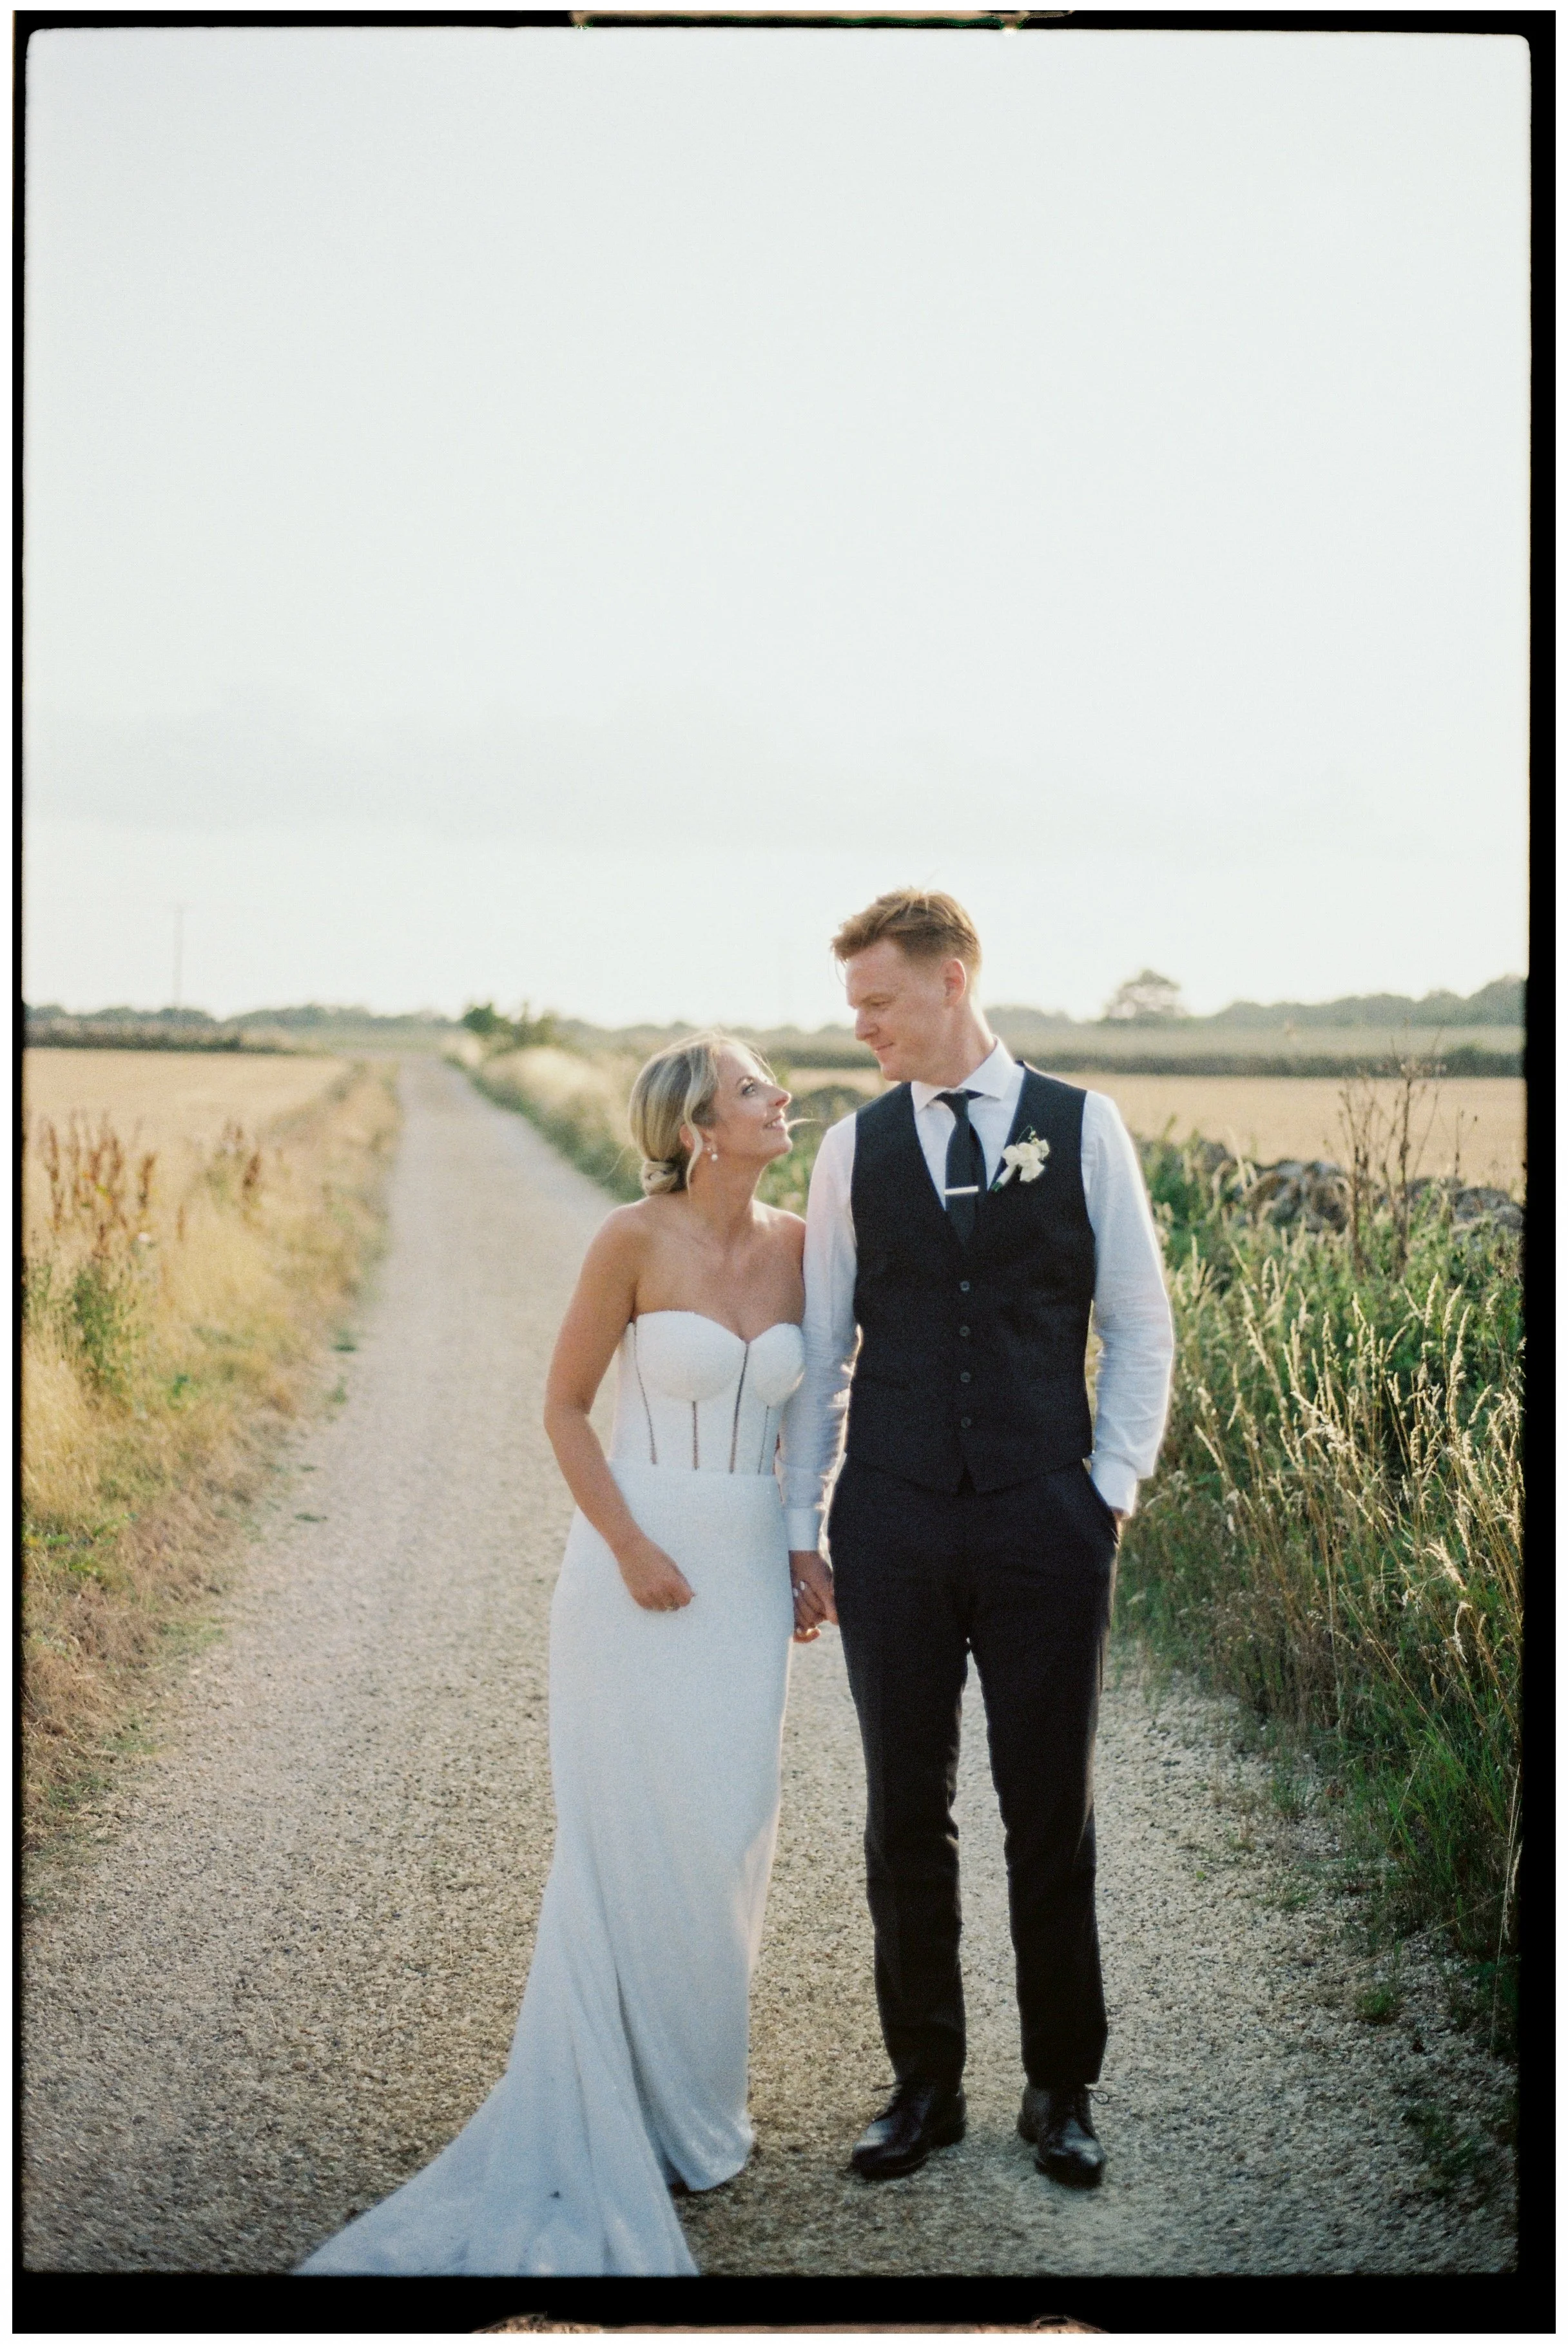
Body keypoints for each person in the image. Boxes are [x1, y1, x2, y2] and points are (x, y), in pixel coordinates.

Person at [299, 1033, 826, 2276]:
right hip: (633, 1576)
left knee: (724, 1832)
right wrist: (632, 1545)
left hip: (748, 1573)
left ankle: (699, 2110)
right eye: (755, 1088)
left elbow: (819, 1411)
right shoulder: (629, 1242)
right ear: (699, 1127)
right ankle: (611, 2110)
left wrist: (807, 1546)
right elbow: (563, 1406)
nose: (779, 1096)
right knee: (628, 1839)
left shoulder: (808, 1245)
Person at [782, 889, 1174, 2190]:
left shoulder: (1082, 1127)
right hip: (890, 1517)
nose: (864, 1030)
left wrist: (1104, 1486)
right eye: (855, 1011)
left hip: (1042, 1521)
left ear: (952, 982)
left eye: (879, 1004)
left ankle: (1060, 2088)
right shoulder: (853, 1148)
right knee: (904, 1812)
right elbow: (825, 1346)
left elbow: (1139, 1324)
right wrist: (806, 1520)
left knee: (1045, 1814)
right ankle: (924, 2085)